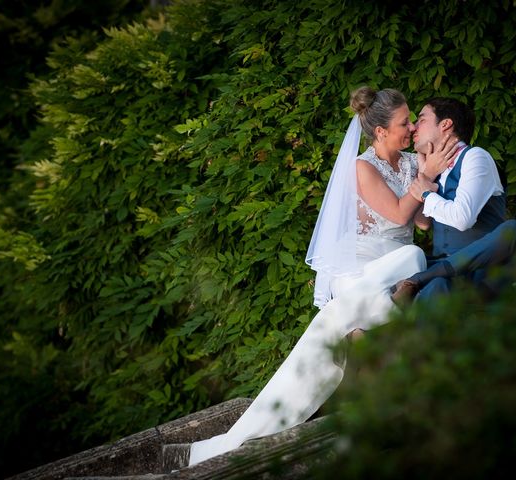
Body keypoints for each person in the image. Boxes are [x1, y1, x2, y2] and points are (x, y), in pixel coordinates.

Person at [187, 87, 457, 466]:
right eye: (404, 123)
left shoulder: (411, 163)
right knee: (413, 257)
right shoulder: (362, 167)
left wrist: (428, 172)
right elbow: (398, 215)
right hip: (361, 266)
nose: (411, 128)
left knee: (412, 256)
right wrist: (425, 175)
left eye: (412, 120)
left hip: (391, 266)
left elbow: (422, 221)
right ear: (380, 132)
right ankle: (239, 438)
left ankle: (365, 332)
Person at [390, 97, 516, 304]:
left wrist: (427, 194)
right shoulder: (434, 168)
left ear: (445, 124)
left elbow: (463, 218)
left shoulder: (476, 157)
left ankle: (418, 281)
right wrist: (425, 175)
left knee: (514, 229)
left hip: (480, 273)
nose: (413, 127)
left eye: (421, 119)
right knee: (396, 271)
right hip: (445, 275)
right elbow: (423, 223)